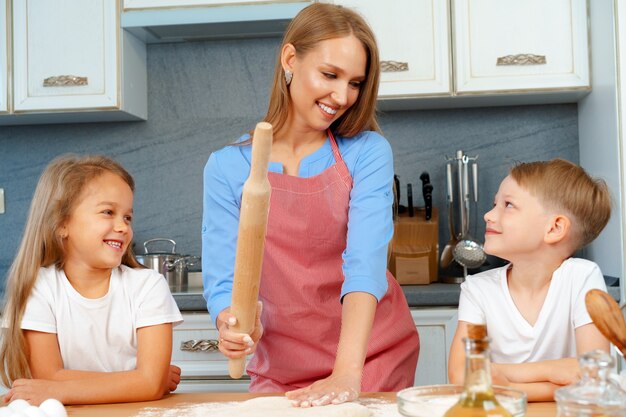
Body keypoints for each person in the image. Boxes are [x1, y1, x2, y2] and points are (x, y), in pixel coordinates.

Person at [202, 2, 419, 407]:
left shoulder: (366, 152)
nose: (342, 96)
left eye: (355, 83)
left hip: (367, 356)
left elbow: (364, 264)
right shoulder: (227, 166)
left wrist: (347, 374)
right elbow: (223, 276)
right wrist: (230, 323)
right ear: (290, 59)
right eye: (330, 75)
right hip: (280, 365)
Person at [0, 155, 183, 405]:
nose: (122, 226)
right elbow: (47, 376)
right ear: (62, 223)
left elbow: (149, 384)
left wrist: (148, 382)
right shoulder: (39, 288)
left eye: (127, 217)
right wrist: (137, 381)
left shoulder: (148, 286)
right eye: (108, 212)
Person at [448, 158, 611, 402]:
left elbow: (594, 378)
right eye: (495, 204)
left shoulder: (582, 278)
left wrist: (504, 380)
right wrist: (553, 370)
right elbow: (461, 376)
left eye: (508, 205)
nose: (488, 215)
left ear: (554, 228)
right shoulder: (477, 289)